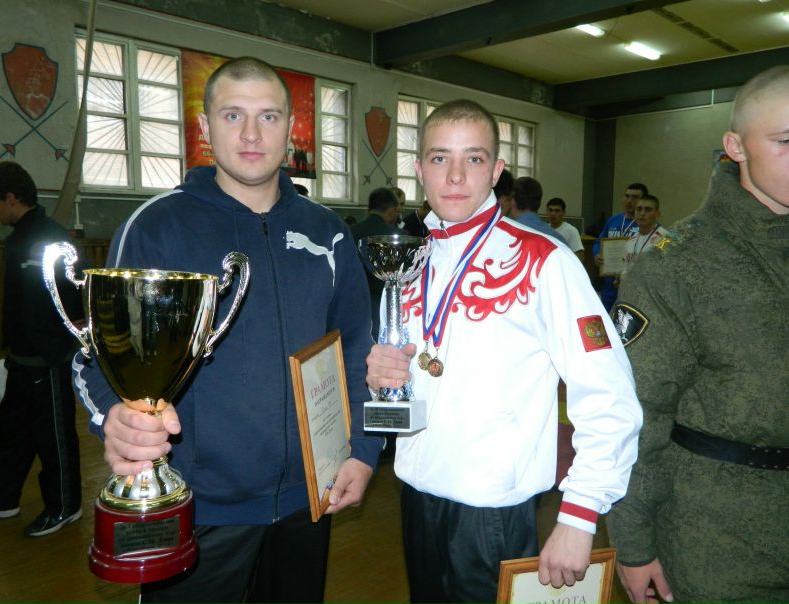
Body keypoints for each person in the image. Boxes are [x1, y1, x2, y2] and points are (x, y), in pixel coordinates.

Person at [73, 56, 382, 604]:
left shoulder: (329, 232)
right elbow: (96, 357)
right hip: (199, 505)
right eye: (233, 115)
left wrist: (361, 448)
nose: (251, 134)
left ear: (292, 128)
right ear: (204, 127)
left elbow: (356, 348)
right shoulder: (156, 227)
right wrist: (114, 417)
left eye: (268, 117)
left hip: (308, 498)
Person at [365, 99, 642, 603]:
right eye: (439, 158)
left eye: (473, 159)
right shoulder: (409, 262)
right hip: (416, 498)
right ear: (419, 169)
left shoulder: (545, 260)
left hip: (491, 515)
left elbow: (610, 395)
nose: (455, 176)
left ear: (496, 171)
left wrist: (579, 514)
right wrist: (384, 373)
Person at [607, 65, 789, 604]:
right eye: (785, 141)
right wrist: (634, 544)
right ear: (736, 146)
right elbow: (638, 414)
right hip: (717, 542)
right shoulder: (678, 264)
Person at [0, 161, 82, 537]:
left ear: (11, 198)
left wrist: (56, 348)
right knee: (13, 431)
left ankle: (65, 506)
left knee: (53, 437)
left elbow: (76, 296)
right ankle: (2, 498)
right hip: (21, 359)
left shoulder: (52, 239)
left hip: (48, 360)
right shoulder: (17, 239)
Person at [351, 187, 406, 341]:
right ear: (393, 211)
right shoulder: (400, 237)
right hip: (388, 307)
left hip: (353, 305)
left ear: (369, 209)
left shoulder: (350, 232)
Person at [593, 183, 647, 310]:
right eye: (627, 196)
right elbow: (598, 242)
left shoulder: (648, 225)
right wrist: (597, 254)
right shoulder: (613, 220)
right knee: (607, 318)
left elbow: (664, 247)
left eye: (635, 197)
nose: (629, 201)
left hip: (635, 285)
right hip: (610, 283)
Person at [619, 194, 669, 279]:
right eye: (639, 209)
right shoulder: (630, 241)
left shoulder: (664, 238)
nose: (642, 213)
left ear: (657, 214)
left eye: (648, 210)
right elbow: (626, 268)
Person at [510, 177, 568, 245]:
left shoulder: (505, 237)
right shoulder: (560, 241)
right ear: (539, 203)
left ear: (513, 201)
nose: (553, 213)